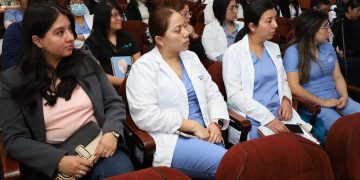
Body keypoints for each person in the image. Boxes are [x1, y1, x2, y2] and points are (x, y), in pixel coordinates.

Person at [0, 2, 134, 179]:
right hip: (54, 158)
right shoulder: (12, 81)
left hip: (99, 145)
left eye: (70, 29)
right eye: (59, 32)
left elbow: (113, 101)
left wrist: (111, 132)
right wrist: (59, 161)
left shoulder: (84, 61)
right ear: (37, 41)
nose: (70, 37)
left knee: (119, 172)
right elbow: (15, 139)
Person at [126, 7, 230, 179]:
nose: (186, 33)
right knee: (230, 165)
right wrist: (192, 126)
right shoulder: (143, 68)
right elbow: (146, 115)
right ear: (160, 39)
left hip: (207, 131)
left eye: (184, 26)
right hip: (172, 138)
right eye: (178, 30)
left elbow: (213, 93)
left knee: (233, 166)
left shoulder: (191, 58)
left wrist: (215, 122)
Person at [223, 0, 308, 139]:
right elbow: (234, 95)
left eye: (274, 19)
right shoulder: (233, 53)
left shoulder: (274, 48)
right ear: (252, 26)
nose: (275, 25)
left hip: (280, 114)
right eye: (269, 21)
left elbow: (283, 80)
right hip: (252, 118)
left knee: (305, 147)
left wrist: (286, 99)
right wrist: (267, 118)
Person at [283, 10, 360, 131]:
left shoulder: (327, 46)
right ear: (311, 30)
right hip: (314, 105)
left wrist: (344, 96)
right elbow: (294, 87)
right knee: (345, 129)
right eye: (325, 27)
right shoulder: (293, 52)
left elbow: (338, 77)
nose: (329, 30)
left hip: (337, 99)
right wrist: (323, 102)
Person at [85, 0, 141, 86]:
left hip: (134, 82)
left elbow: (138, 62)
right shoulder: (91, 42)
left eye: (119, 14)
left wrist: (132, 81)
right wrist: (124, 84)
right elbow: (99, 74)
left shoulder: (127, 36)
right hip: (109, 87)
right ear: (103, 18)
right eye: (115, 15)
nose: (119, 18)